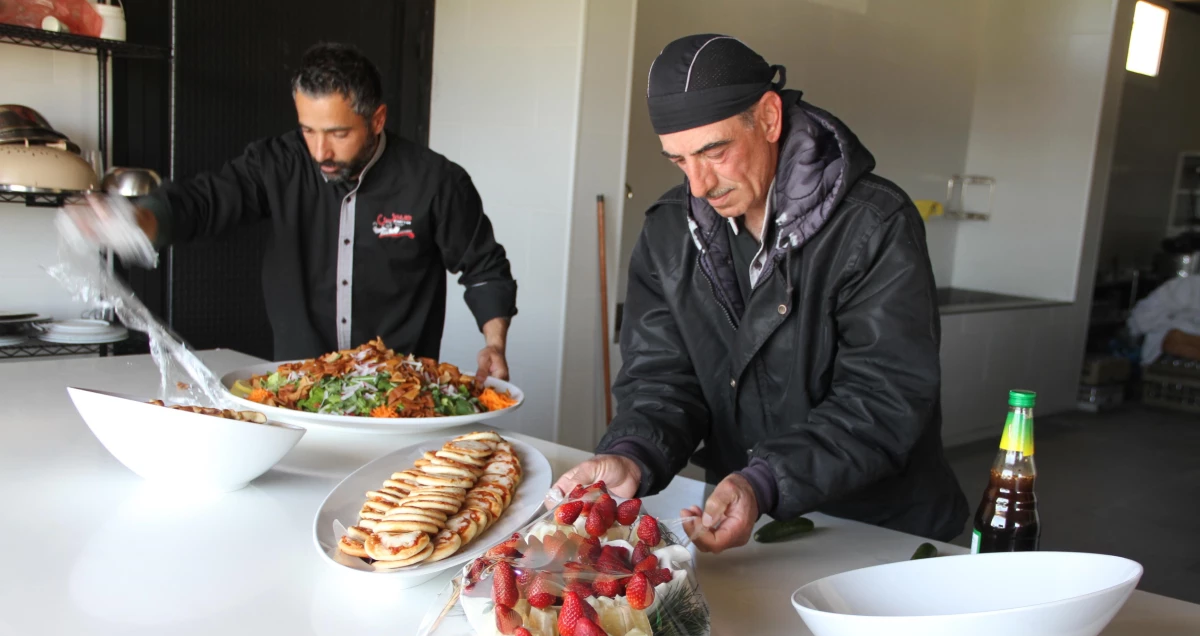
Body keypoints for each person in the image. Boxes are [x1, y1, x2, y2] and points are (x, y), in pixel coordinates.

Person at [554, 34, 967, 552]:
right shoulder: (668, 233)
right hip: (743, 523)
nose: (699, 185)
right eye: (679, 161)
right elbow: (662, 381)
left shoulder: (873, 226)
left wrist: (766, 480)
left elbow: (883, 399)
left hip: (881, 529)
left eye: (714, 151)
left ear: (770, 118)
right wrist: (634, 454)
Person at [75, 42, 517, 372]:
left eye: (338, 134)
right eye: (308, 130)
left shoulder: (435, 181)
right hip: (300, 386)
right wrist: (140, 218)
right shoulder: (276, 163)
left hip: (400, 394)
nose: (320, 150)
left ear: (377, 119)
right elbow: (204, 202)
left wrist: (493, 345)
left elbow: (484, 267)